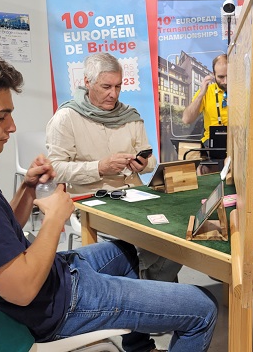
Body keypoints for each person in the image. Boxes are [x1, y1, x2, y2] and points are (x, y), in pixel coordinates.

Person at [0, 47, 218, 352]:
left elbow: (0, 236)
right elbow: (22, 290)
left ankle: (139, 347)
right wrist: (55, 217)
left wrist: (28, 189)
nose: (12, 127)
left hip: (55, 277)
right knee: (204, 307)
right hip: (57, 303)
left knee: (126, 252)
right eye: (1, 117)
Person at [46, 52, 182, 285]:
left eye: (118, 86)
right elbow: (56, 169)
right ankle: (153, 290)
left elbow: (150, 161)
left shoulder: (130, 116)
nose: (114, 94)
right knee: (156, 244)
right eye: (106, 86)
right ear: (87, 83)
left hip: (135, 196)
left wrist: (143, 164)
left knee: (178, 232)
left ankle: (149, 291)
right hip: (91, 201)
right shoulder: (66, 118)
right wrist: (99, 167)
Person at [182, 53, 253, 146]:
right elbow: (186, 119)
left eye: (229, 76)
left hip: (240, 141)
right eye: (221, 77)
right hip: (212, 142)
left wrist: (249, 87)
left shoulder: (243, 89)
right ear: (213, 75)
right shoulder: (207, 91)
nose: (225, 81)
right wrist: (201, 95)